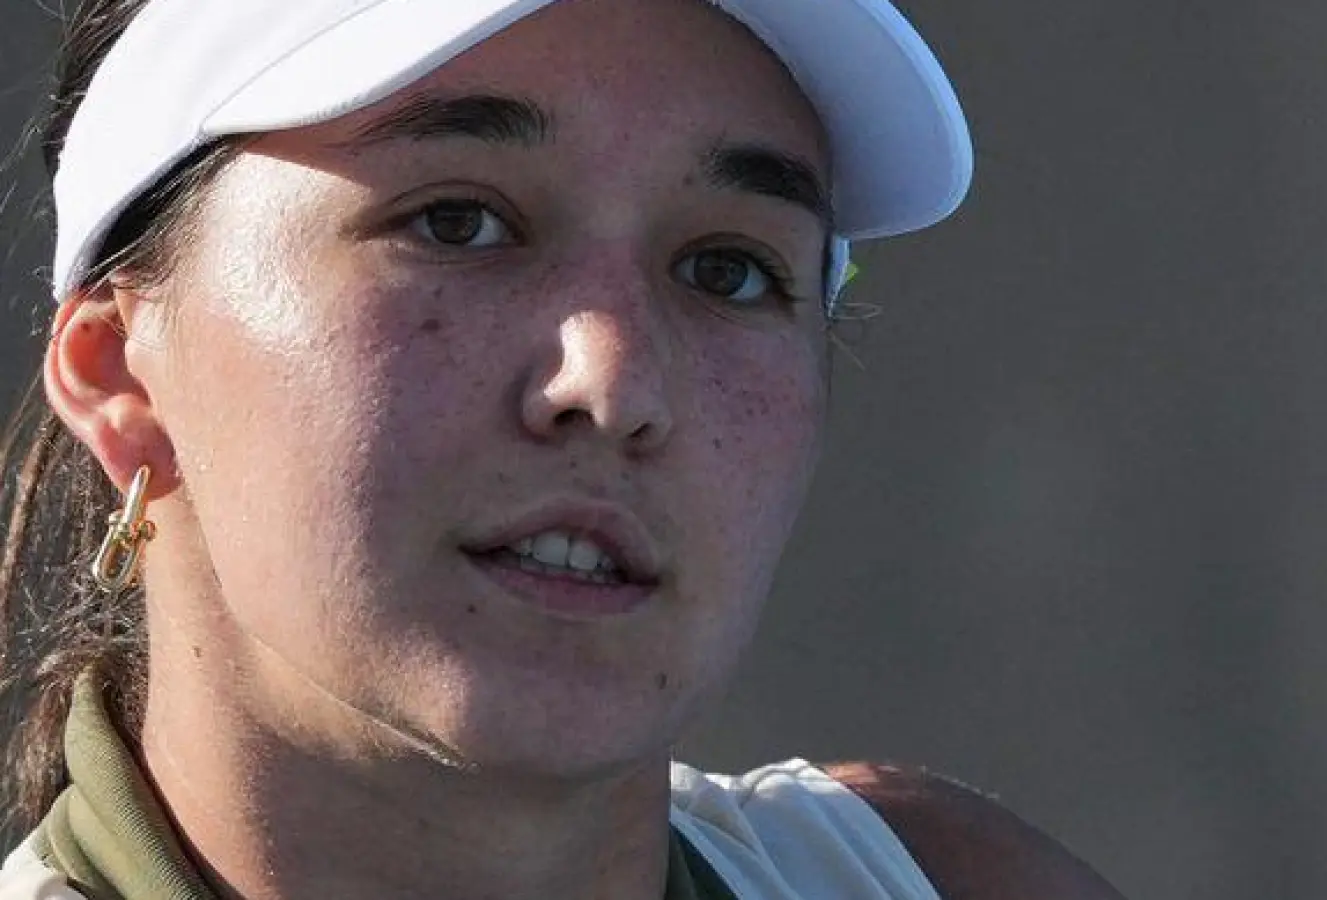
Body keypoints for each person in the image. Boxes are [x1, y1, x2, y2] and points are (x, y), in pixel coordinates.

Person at [0, 0, 1128, 897]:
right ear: (121, 375)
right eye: (458, 223)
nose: (614, 382)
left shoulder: (934, 880)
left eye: (728, 270)